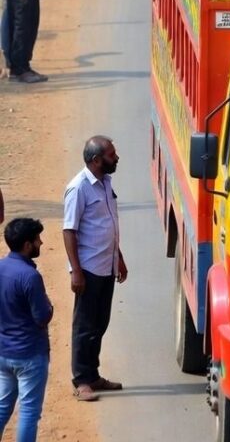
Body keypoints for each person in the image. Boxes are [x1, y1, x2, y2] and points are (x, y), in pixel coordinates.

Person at [63, 136, 127, 402]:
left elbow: (108, 225)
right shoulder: (78, 188)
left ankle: (93, 375)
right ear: (96, 160)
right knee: (85, 326)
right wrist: (75, 271)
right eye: (112, 154)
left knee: (100, 322)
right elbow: (69, 230)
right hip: (88, 268)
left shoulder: (105, 182)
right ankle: (81, 380)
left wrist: (119, 258)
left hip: (107, 265)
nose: (117, 157)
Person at [0, 218, 53, 442]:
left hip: (4, 353)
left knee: (2, 407)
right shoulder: (30, 276)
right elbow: (42, 317)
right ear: (27, 245)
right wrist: (50, 306)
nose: (41, 243)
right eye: (37, 240)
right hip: (30, 355)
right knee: (29, 413)